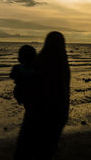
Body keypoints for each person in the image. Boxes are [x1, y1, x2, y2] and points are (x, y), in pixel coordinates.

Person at [14, 32, 71, 160]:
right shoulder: (63, 66)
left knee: (26, 150)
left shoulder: (40, 63)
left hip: (37, 116)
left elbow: (27, 90)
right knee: (46, 151)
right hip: (58, 115)